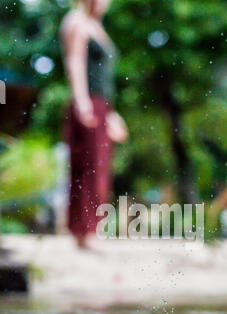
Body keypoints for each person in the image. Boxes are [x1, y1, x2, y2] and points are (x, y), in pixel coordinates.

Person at [61, 0, 128, 248]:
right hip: (87, 103)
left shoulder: (98, 26)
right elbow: (75, 61)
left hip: (102, 105)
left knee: (99, 169)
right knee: (86, 169)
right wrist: (81, 101)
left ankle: (90, 230)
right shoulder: (76, 22)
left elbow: (103, 77)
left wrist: (111, 113)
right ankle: (82, 233)